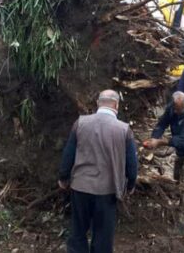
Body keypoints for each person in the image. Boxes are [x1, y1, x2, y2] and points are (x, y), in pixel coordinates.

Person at [58, 90, 137, 253]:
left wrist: (63, 178)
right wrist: (131, 184)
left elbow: (69, 154)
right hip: (107, 190)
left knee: (78, 231)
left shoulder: (80, 123)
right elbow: (131, 163)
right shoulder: (124, 129)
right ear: (116, 105)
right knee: (103, 235)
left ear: (98, 103)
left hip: (80, 186)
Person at [144, 91, 184, 234]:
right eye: (175, 109)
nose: (177, 112)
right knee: (179, 179)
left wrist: (159, 142)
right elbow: (161, 124)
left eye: (179, 110)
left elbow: (181, 140)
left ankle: (182, 224)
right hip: (182, 151)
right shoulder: (172, 109)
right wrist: (154, 137)